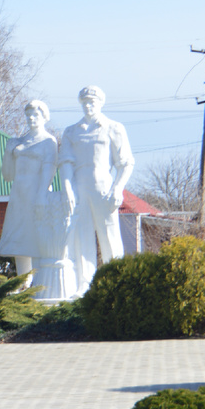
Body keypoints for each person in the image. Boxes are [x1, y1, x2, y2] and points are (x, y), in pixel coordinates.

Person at [59, 85, 135, 292]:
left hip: (103, 187)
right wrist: (67, 188)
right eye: (84, 102)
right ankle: (85, 284)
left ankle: (117, 280)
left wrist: (118, 188)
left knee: (109, 234)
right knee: (81, 237)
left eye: (92, 102)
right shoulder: (71, 132)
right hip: (79, 188)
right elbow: (65, 163)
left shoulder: (113, 127)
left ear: (101, 103)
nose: (88, 106)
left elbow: (126, 163)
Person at [0, 100, 73, 298]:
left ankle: (38, 285)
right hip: (19, 195)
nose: (31, 118)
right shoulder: (17, 142)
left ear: (44, 117)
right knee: (20, 238)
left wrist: (41, 195)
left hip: (37, 194)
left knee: (37, 238)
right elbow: (7, 175)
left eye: (36, 115)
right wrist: (8, 152)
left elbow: (50, 168)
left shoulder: (48, 141)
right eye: (28, 114)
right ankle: (22, 284)